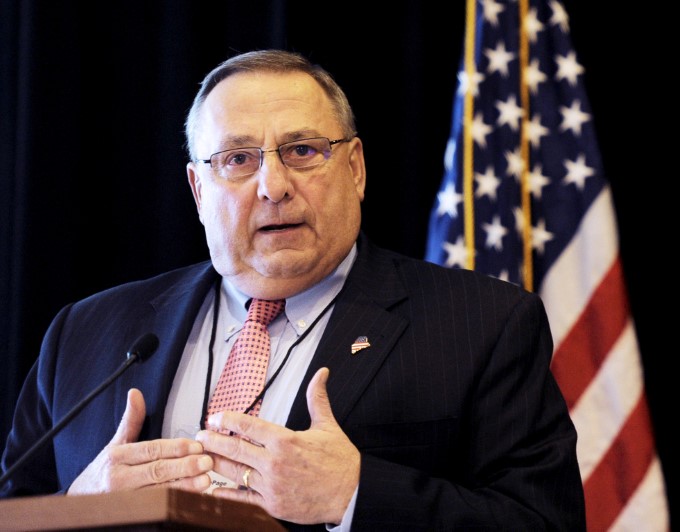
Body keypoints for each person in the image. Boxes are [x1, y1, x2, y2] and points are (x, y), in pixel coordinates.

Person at [0, 49, 586, 530]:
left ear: (355, 168)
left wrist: (356, 495)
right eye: (237, 159)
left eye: (303, 151)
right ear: (199, 189)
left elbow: (544, 523)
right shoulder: (86, 333)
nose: (273, 186)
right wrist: (84, 507)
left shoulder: (483, 324)